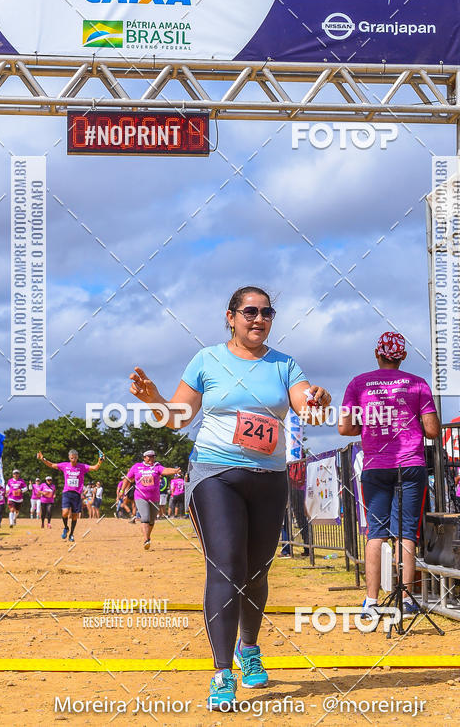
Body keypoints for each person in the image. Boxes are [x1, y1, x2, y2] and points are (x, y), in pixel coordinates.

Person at [129, 285, 330, 711]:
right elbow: (177, 418)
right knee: (226, 566)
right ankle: (222, 673)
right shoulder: (207, 360)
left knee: (256, 571)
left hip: (269, 477)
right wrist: (155, 401)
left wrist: (318, 403)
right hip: (215, 473)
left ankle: (249, 647)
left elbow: (306, 407)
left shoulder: (285, 364)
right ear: (231, 316)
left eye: (267, 313)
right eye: (250, 312)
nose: (259, 319)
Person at [339, 331, 440, 618]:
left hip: (375, 465)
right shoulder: (417, 384)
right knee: (407, 534)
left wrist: (369, 428)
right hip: (410, 463)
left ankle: (370, 602)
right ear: (403, 356)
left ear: (377, 354)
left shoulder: (358, 384)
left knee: (375, 533)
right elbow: (432, 430)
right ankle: (406, 599)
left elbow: (344, 428)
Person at [36, 448, 103, 542]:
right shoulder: (64, 465)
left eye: (75, 458)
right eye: (72, 458)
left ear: (77, 457)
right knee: (65, 513)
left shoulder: (82, 467)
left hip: (77, 494)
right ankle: (66, 527)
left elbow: (95, 468)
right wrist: (43, 459)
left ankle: (71, 534)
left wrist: (99, 461)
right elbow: (51, 465)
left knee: (75, 516)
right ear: (69, 457)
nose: (73, 460)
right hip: (67, 493)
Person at [121, 451, 181, 548]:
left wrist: (175, 471)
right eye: (148, 457)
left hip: (154, 498)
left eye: (152, 457)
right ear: (144, 458)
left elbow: (165, 470)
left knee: (152, 520)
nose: (151, 459)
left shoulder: (157, 467)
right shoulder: (136, 467)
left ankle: (148, 536)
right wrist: (121, 491)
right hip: (140, 496)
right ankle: (146, 540)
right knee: (145, 518)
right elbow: (127, 478)